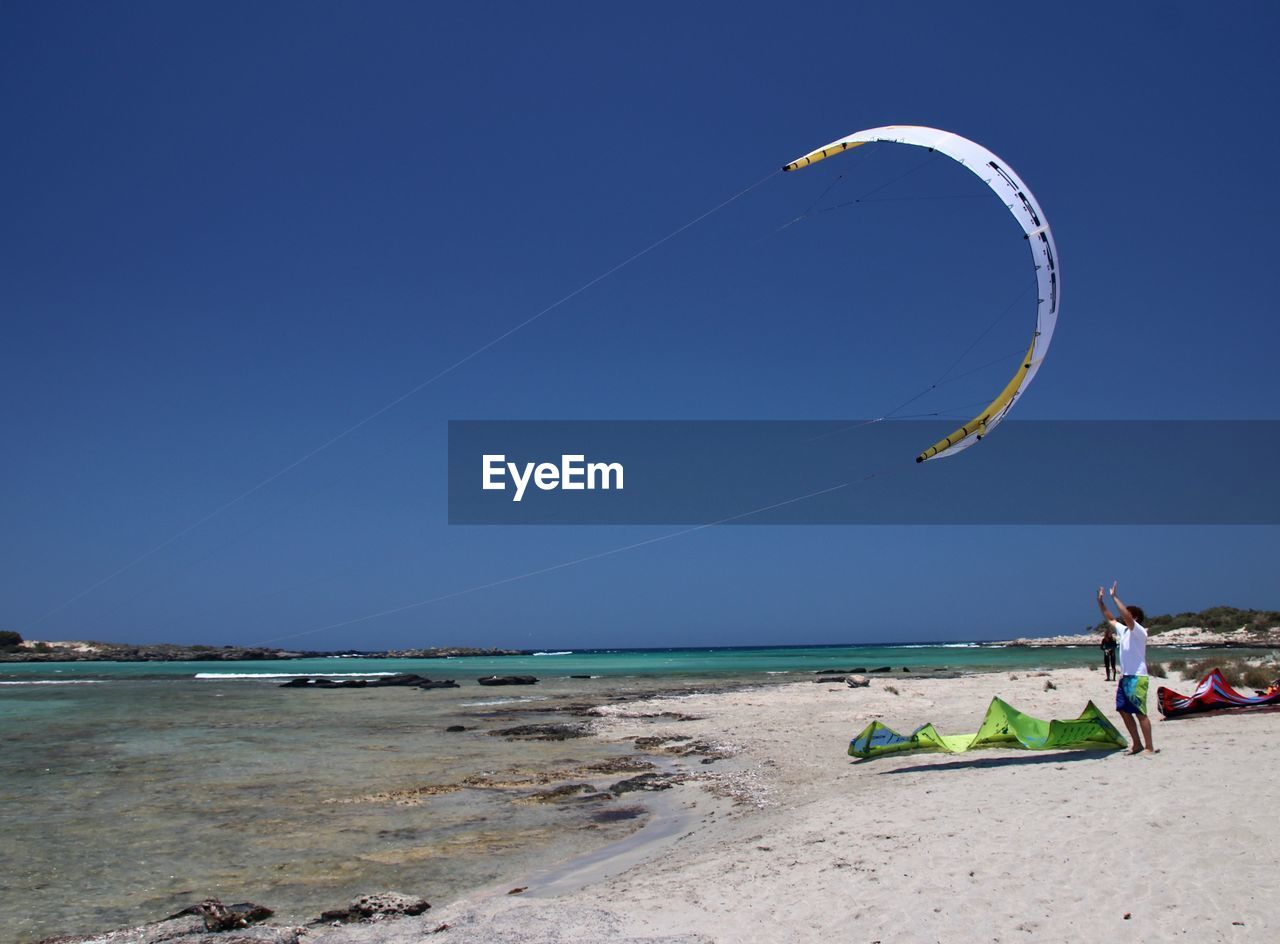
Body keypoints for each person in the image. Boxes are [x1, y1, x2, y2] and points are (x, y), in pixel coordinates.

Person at [1096, 581, 1155, 754]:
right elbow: (1110, 618)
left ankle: (1149, 747)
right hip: (1125, 677)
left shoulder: (1139, 631)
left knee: (1140, 712)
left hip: (1137, 677)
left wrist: (1115, 597)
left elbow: (1126, 617)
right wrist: (1101, 601)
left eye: (1127, 614)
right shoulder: (1123, 631)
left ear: (1135, 618)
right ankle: (1137, 744)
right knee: (1123, 710)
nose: (1123, 616)